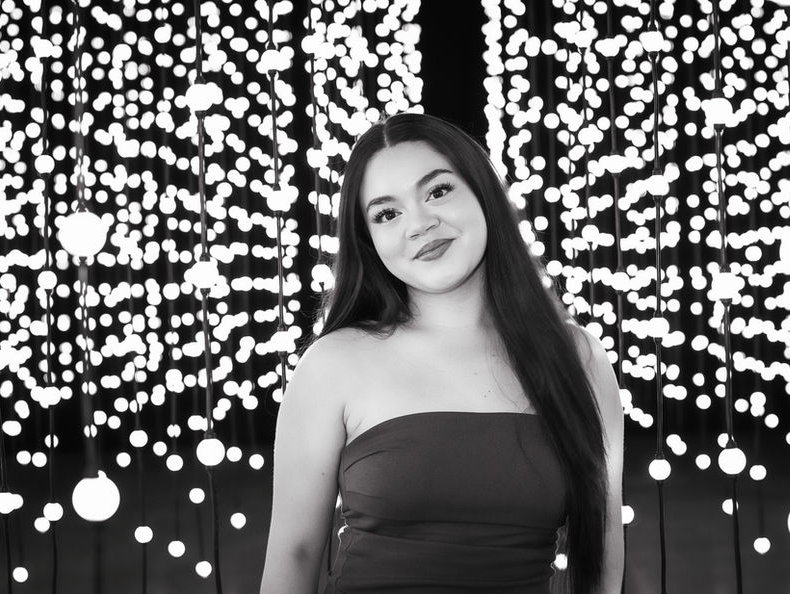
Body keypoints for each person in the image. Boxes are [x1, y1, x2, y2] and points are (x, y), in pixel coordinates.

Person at [260, 113, 624, 593]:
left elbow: (602, 541)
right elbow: (294, 553)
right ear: (369, 241)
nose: (421, 224)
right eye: (387, 214)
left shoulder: (579, 357)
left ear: (483, 195)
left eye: (438, 191)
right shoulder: (333, 363)